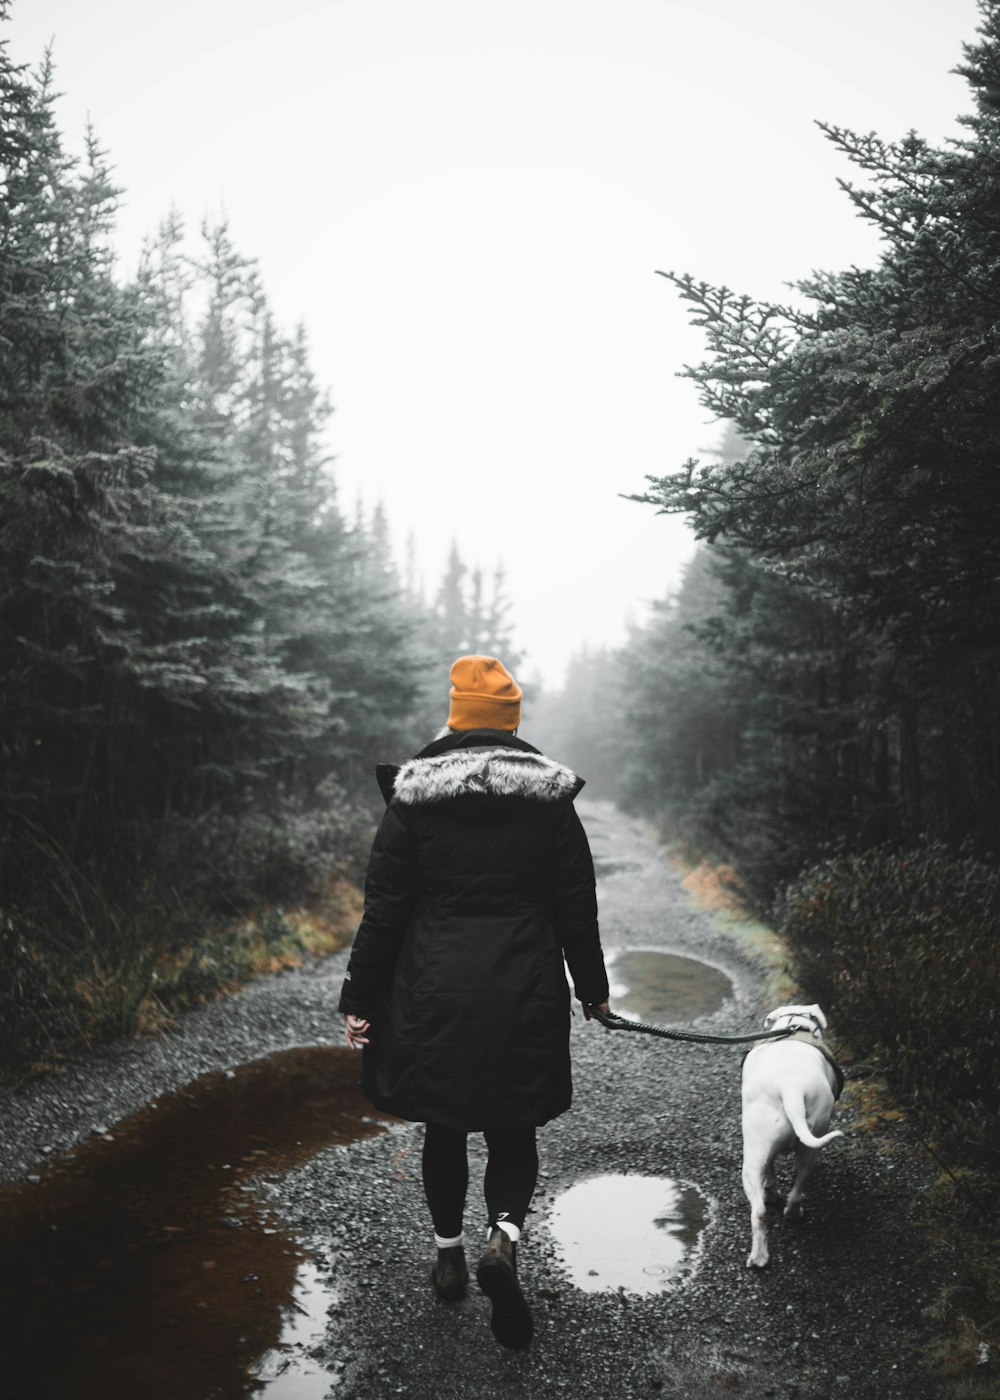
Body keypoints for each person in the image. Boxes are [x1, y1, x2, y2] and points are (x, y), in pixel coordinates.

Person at [339, 654, 610, 1350]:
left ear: (456, 717)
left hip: (434, 991)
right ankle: (505, 1237)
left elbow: (385, 911)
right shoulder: (550, 802)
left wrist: (360, 997)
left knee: (446, 1124)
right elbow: (577, 907)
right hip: (523, 986)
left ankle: (451, 1258)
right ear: (512, 724)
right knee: (514, 1127)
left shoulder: (413, 800)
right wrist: (594, 993)